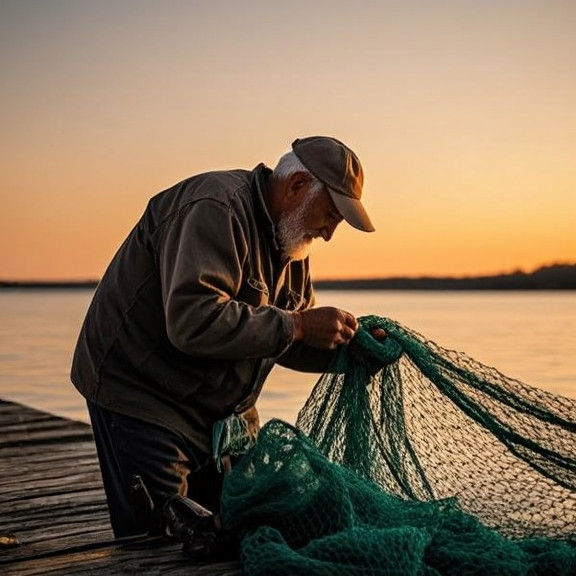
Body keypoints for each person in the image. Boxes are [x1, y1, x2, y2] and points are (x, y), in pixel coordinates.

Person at [70, 135, 375, 552]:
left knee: (228, 532)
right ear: (298, 185)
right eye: (330, 216)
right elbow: (193, 321)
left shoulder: (293, 243)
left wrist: (348, 350)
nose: (328, 234)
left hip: (222, 414)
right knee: (158, 545)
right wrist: (301, 325)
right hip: (143, 392)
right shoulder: (215, 208)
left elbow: (284, 338)